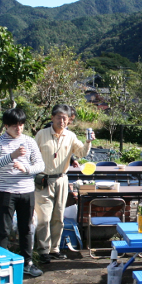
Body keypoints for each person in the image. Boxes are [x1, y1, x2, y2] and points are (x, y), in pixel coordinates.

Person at [0, 108, 45, 277]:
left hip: (26, 191)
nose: (19, 128)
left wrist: (26, 168)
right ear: (6, 125)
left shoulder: (29, 141)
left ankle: (28, 262)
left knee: (27, 228)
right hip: (6, 191)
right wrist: (11, 156)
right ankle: (0, 263)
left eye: (21, 124)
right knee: (4, 229)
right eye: (14, 125)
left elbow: (40, 165)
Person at [34, 104, 93, 262]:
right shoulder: (41, 134)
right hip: (43, 180)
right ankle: (43, 251)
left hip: (61, 179)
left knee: (58, 217)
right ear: (52, 118)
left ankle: (55, 249)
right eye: (59, 117)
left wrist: (88, 142)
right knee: (44, 218)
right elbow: (32, 156)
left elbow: (80, 152)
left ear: (68, 121)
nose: (62, 121)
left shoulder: (71, 136)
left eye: (65, 118)